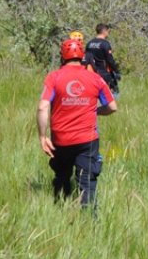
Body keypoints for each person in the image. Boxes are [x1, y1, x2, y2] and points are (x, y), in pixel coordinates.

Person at [38, 39, 117, 209]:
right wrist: (95, 111)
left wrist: (43, 136)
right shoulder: (95, 78)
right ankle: (89, 221)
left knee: (62, 176)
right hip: (87, 139)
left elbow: (43, 106)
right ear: (82, 56)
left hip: (60, 139)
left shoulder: (54, 77)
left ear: (62, 57)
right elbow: (112, 107)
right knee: (87, 180)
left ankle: (59, 209)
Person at [84, 23, 122, 95]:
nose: (108, 33)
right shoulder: (105, 44)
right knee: (113, 92)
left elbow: (86, 58)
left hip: (92, 73)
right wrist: (116, 71)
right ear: (104, 31)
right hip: (104, 73)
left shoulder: (89, 43)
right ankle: (113, 105)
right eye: (108, 31)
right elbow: (110, 60)